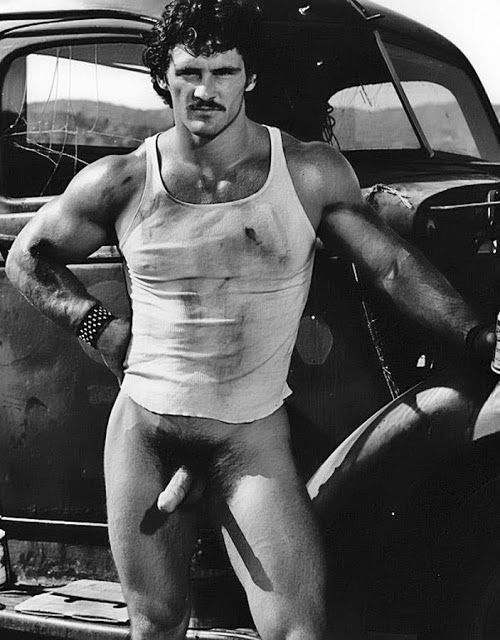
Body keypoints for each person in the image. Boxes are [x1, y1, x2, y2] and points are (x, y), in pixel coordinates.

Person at [5, 0, 496, 638]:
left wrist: (479, 335)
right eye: (189, 72)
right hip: (147, 433)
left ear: (250, 78)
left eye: (224, 72)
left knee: (298, 630)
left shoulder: (307, 172)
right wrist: (102, 328)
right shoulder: (122, 180)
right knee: (155, 626)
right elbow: (27, 257)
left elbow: (394, 266)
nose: (205, 90)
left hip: (248, 441)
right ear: (164, 79)